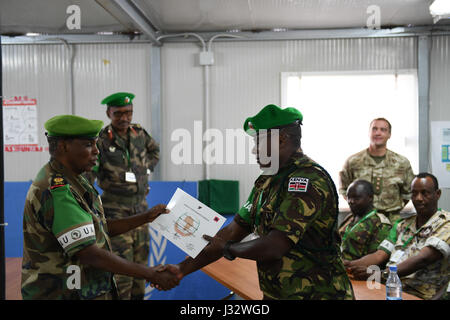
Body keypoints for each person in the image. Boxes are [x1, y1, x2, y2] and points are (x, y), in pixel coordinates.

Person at [164, 104, 355, 300]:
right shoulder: (267, 180)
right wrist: (181, 269)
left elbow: (275, 245)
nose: (255, 150)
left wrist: (228, 249)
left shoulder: (307, 180)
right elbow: (232, 232)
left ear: (281, 140)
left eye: (260, 142)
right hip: (278, 294)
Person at [21, 115, 180, 300]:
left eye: (96, 144)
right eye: (89, 145)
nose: (97, 151)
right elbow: (90, 254)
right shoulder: (58, 190)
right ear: (64, 147)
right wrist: (151, 273)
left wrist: (145, 217)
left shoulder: (77, 179)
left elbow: (97, 229)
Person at [87, 92, 160, 300]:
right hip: (115, 211)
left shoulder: (139, 133)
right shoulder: (101, 140)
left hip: (141, 208)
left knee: (140, 268)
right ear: (108, 113)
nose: (124, 118)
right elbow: (90, 171)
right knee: (121, 273)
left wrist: (146, 170)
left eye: (128, 113)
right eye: (118, 113)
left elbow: (155, 152)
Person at [344, 173, 450, 300]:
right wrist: (349, 265)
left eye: (424, 193)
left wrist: (381, 274)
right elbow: (379, 255)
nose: (418, 198)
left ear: (437, 194)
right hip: (391, 289)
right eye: (414, 193)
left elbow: (423, 258)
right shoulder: (402, 225)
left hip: (422, 293)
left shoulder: (446, 223)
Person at [339, 118, 415, 223]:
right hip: (362, 220)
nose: (378, 133)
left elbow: (408, 193)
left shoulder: (401, 162)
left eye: (383, 130)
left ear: (389, 134)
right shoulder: (353, 162)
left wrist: (392, 208)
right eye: (374, 129)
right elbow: (344, 190)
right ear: (369, 132)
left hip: (391, 221)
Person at [338, 179, 391, 261]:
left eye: (356, 198)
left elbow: (376, 258)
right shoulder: (350, 217)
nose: (351, 201)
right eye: (349, 197)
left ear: (370, 198)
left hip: (357, 269)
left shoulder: (380, 223)